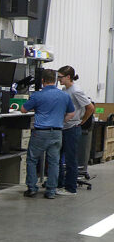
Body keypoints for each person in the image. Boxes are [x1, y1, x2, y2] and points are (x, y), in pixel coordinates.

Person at [20, 69, 75, 199]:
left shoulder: (37, 96)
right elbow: (71, 113)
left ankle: (32, 188)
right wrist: (60, 121)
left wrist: (37, 107)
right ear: (55, 81)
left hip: (40, 133)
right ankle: (51, 191)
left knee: (32, 160)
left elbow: (23, 110)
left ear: (43, 81)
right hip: (57, 132)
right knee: (54, 162)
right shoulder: (64, 95)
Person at [55, 65, 94, 195]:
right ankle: (59, 184)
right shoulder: (64, 90)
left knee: (71, 159)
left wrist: (82, 121)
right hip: (63, 127)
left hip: (72, 128)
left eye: (60, 77)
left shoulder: (76, 91)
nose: (59, 79)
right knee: (58, 157)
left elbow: (90, 108)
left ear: (68, 77)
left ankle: (71, 188)